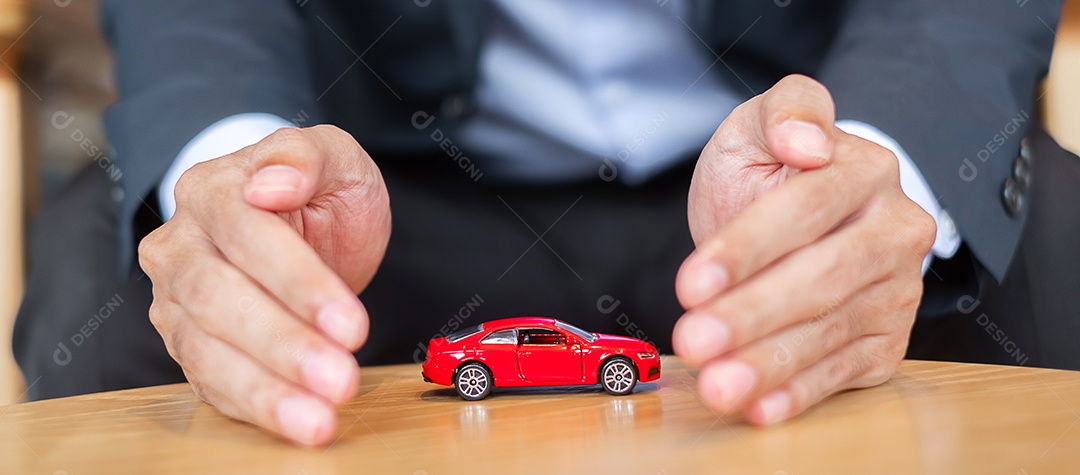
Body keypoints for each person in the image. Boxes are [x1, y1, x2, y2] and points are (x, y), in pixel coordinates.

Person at [14, 0, 1076, 447]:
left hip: (770, 173)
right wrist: (246, 178)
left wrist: (870, 169)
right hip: (382, 193)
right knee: (115, 294)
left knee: (1055, 258)